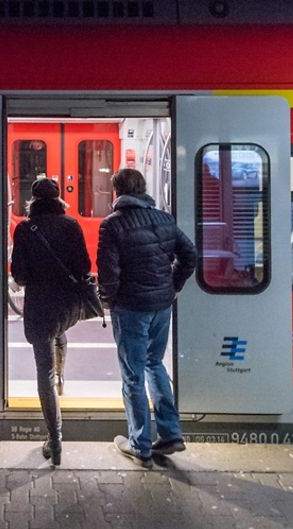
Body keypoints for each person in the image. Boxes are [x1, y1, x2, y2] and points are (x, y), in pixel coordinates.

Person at [97, 168, 197, 468]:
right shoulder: (164, 219)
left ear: (117, 192)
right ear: (142, 189)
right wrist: (173, 286)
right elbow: (189, 255)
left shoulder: (112, 225)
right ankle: (170, 433)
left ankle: (139, 444)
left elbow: (108, 273)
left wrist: (108, 301)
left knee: (132, 374)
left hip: (131, 308)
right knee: (155, 364)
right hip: (161, 305)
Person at [10, 177, 91, 466]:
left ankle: (54, 441)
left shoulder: (24, 228)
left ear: (33, 200)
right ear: (58, 199)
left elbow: (18, 275)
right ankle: (62, 378)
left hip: (40, 305)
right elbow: (84, 267)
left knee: (42, 369)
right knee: (60, 332)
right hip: (67, 305)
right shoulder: (71, 225)